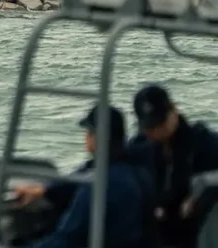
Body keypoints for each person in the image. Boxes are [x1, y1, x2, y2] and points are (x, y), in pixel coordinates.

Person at [27, 104, 155, 248]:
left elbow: (65, 240)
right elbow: (81, 175)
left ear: (96, 138)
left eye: (89, 132)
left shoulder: (96, 185)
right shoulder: (138, 171)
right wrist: (47, 190)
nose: (86, 137)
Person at [127, 83, 218, 248]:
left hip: (194, 232)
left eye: (160, 123)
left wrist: (199, 195)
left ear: (173, 110)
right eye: (150, 127)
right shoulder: (139, 148)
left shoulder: (203, 142)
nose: (156, 131)